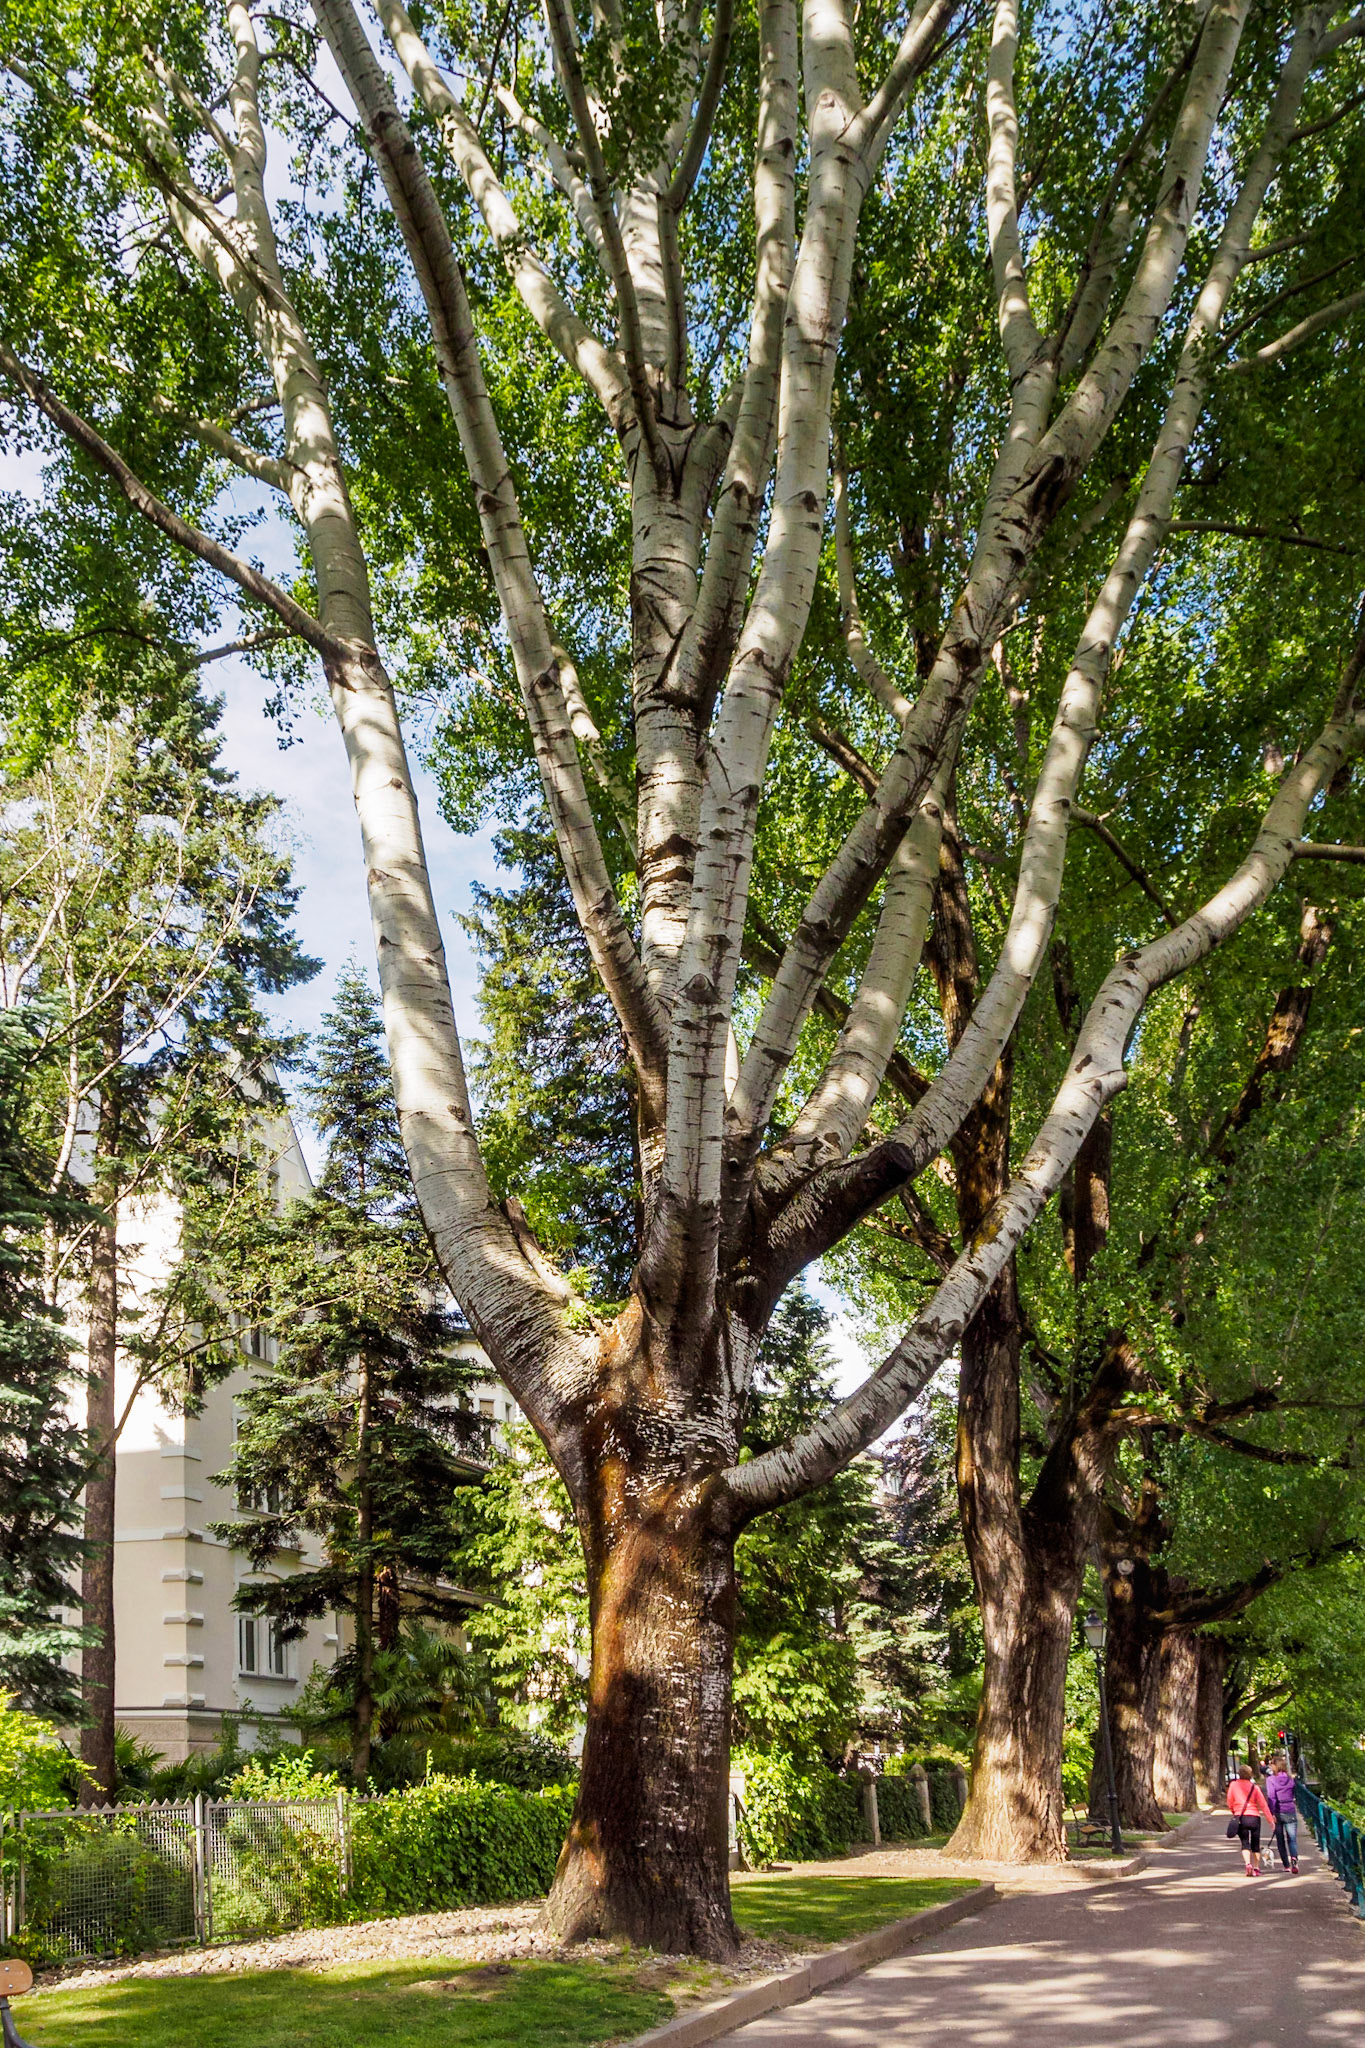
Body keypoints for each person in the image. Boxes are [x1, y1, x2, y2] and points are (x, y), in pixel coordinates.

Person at [1226, 1765, 1274, 1877]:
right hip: (1254, 1817)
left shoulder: (1233, 1785)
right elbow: (1263, 1805)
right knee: (1255, 1843)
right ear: (1250, 1774)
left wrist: (1234, 1811)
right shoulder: (1254, 1787)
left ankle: (1248, 1864)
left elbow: (1229, 1801)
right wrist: (1270, 1820)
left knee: (1245, 1843)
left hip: (1241, 1817)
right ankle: (1256, 1868)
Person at [1264, 1754, 1300, 1874]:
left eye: (1271, 1764)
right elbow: (1295, 1793)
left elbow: (1271, 1797)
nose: (1270, 1766)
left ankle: (1286, 1865)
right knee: (1292, 1839)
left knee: (1280, 1839)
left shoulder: (1270, 1780)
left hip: (1278, 1811)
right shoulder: (1291, 1779)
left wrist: (1271, 1812)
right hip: (1290, 1809)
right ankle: (1294, 1859)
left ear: (1275, 1766)